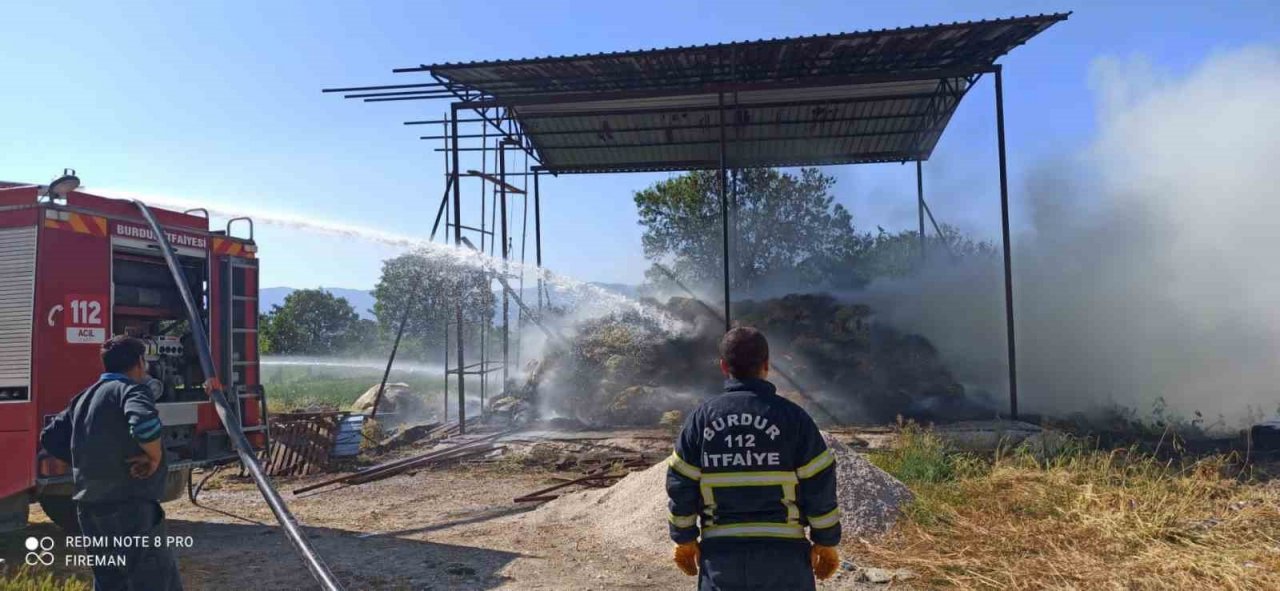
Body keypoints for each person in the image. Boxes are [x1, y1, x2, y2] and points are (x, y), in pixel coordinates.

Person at [666, 327, 841, 590]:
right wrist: (825, 541)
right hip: (785, 560)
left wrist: (685, 539)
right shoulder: (794, 418)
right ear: (767, 365)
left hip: (721, 560)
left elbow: (680, 482)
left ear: (724, 366)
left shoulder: (701, 419)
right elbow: (819, 482)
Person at [40, 336, 210, 591]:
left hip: (89, 509)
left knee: (110, 582)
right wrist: (154, 457)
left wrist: (92, 459)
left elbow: (50, 438)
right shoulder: (131, 389)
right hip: (128, 506)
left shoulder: (85, 397)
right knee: (154, 581)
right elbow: (144, 425)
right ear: (139, 363)